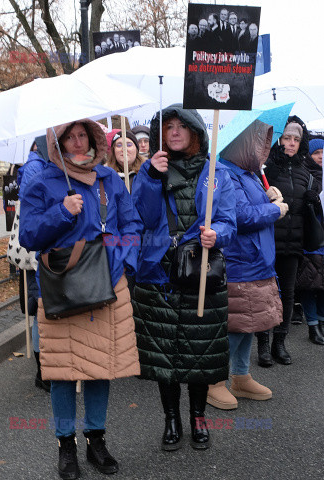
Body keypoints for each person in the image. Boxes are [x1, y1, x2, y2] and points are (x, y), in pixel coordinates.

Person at [19, 119, 142, 479]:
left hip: (108, 284)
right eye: (68, 137)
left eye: (82, 135)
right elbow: (28, 235)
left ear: (93, 138)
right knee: (61, 372)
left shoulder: (109, 180)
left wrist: (119, 261)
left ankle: (96, 441)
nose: (77, 142)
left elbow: (132, 227)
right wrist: (62, 212)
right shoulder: (42, 182)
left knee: (100, 367)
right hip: (64, 288)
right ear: (56, 143)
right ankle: (66, 446)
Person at [131, 104, 236, 451]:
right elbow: (141, 218)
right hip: (159, 276)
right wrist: (150, 176)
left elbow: (229, 221)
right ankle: (171, 419)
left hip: (201, 275)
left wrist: (216, 234)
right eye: (168, 126)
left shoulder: (215, 171)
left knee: (200, 355)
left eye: (181, 126)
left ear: (194, 132)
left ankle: (198, 418)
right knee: (165, 357)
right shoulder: (149, 172)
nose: (174, 131)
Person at [207, 120, 287, 410]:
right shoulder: (224, 172)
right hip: (239, 261)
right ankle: (215, 382)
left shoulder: (249, 173)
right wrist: (274, 209)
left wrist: (268, 195)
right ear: (242, 143)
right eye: (258, 142)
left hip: (257, 261)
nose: (263, 149)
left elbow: (251, 206)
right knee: (232, 324)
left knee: (248, 323)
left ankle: (240, 376)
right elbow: (241, 216)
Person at [256, 116, 315, 366]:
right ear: (280, 138)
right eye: (287, 138)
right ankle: (263, 345)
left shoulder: (305, 171)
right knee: (265, 294)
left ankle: (280, 342)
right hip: (268, 241)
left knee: (288, 295)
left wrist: (313, 201)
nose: (291, 143)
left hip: (293, 243)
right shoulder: (266, 168)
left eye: (296, 139)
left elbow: (305, 210)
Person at [17, 136, 50, 392]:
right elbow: (33, 213)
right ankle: (43, 371)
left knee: (42, 309)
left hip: (43, 251)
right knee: (41, 309)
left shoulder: (40, 164)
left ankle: (46, 369)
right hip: (39, 252)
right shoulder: (36, 168)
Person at [296, 138, 324, 344]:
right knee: (310, 284)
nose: (321, 156)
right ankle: (313, 325)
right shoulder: (305, 175)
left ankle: (321, 322)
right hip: (311, 239)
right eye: (317, 153)